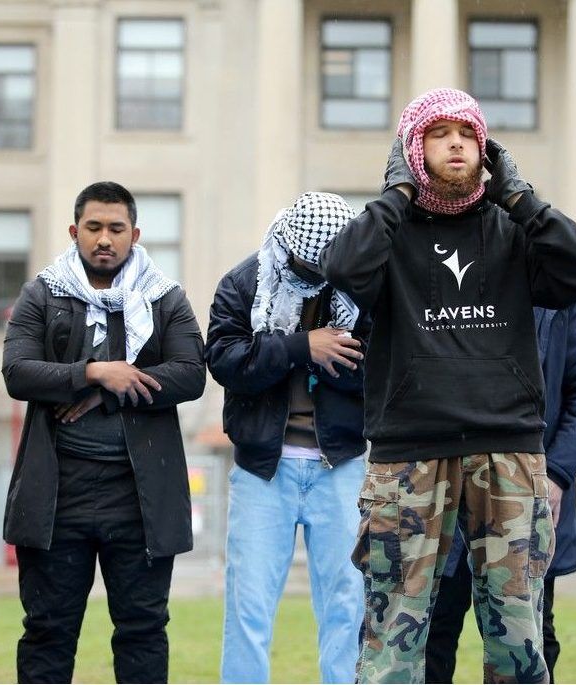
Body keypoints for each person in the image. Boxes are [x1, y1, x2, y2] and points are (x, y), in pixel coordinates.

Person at [320, 88, 576, 683]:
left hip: (508, 448)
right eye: (437, 133)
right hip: (410, 454)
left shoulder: (512, 227)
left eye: (468, 134)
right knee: (391, 638)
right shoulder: (389, 231)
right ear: (411, 149)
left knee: (519, 639)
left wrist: (521, 197)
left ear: (488, 151)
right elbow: (343, 270)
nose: (456, 143)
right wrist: (396, 194)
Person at [1, 181, 205, 684]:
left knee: (142, 631)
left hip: (139, 500)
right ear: (75, 231)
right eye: (94, 228)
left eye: (116, 228)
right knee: (48, 631)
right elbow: (17, 371)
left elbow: (191, 373)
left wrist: (113, 388)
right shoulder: (43, 293)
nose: (105, 239)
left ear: (135, 234)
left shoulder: (165, 298)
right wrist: (92, 373)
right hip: (57, 494)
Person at [205, 192, 368, 683]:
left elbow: (380, 373)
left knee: (348, 604)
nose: (318, 272)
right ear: (289, 244)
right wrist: (303, 345)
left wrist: (329, 358)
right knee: (248, 605)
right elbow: (225, 363)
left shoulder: (362, 286)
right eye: (309, 262)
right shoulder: (243, 283)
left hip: (339, 464)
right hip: (262, 468)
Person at [425, 300, 576, 683]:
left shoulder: (562, 299)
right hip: (443, 495)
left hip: (524, 503)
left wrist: (557, 474)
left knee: (530, 641)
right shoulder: (446, 282)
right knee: (431, 639)